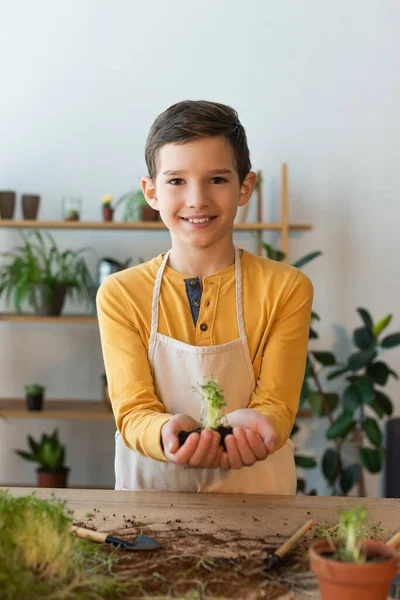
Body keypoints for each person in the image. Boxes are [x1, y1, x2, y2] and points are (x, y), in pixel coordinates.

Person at [96, 100, 314, 494]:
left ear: (245, 186)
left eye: (217, 179)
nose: (197, 199)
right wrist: (165, 432)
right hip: (151, 507)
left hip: (259, 502)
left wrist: (261, 427)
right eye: (176, 181)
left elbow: (276, 407)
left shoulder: (287, 288)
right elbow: (133, 412)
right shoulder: (121, 294)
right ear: (151, 192)